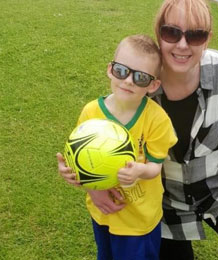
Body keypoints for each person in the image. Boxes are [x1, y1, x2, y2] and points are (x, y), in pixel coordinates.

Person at [59, 0, 218, 259]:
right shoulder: (140, 84)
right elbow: (103, 148)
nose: (182, 44)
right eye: (171, 32)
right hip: (163, 202)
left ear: (208, 38)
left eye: (196, 35)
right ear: (159, 34)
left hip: (216, 188)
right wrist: (92, 187)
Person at [57, 34, 177, 260]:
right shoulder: (91, 113)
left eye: (140, 77)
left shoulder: (156, 119)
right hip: (102, 212)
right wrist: (75, 174)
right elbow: (80, 159)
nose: (129, 81)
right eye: (122, 71)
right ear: (110, 69)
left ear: (153, 85)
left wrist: (140, 171)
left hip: (138, 220)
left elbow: (155, 167)